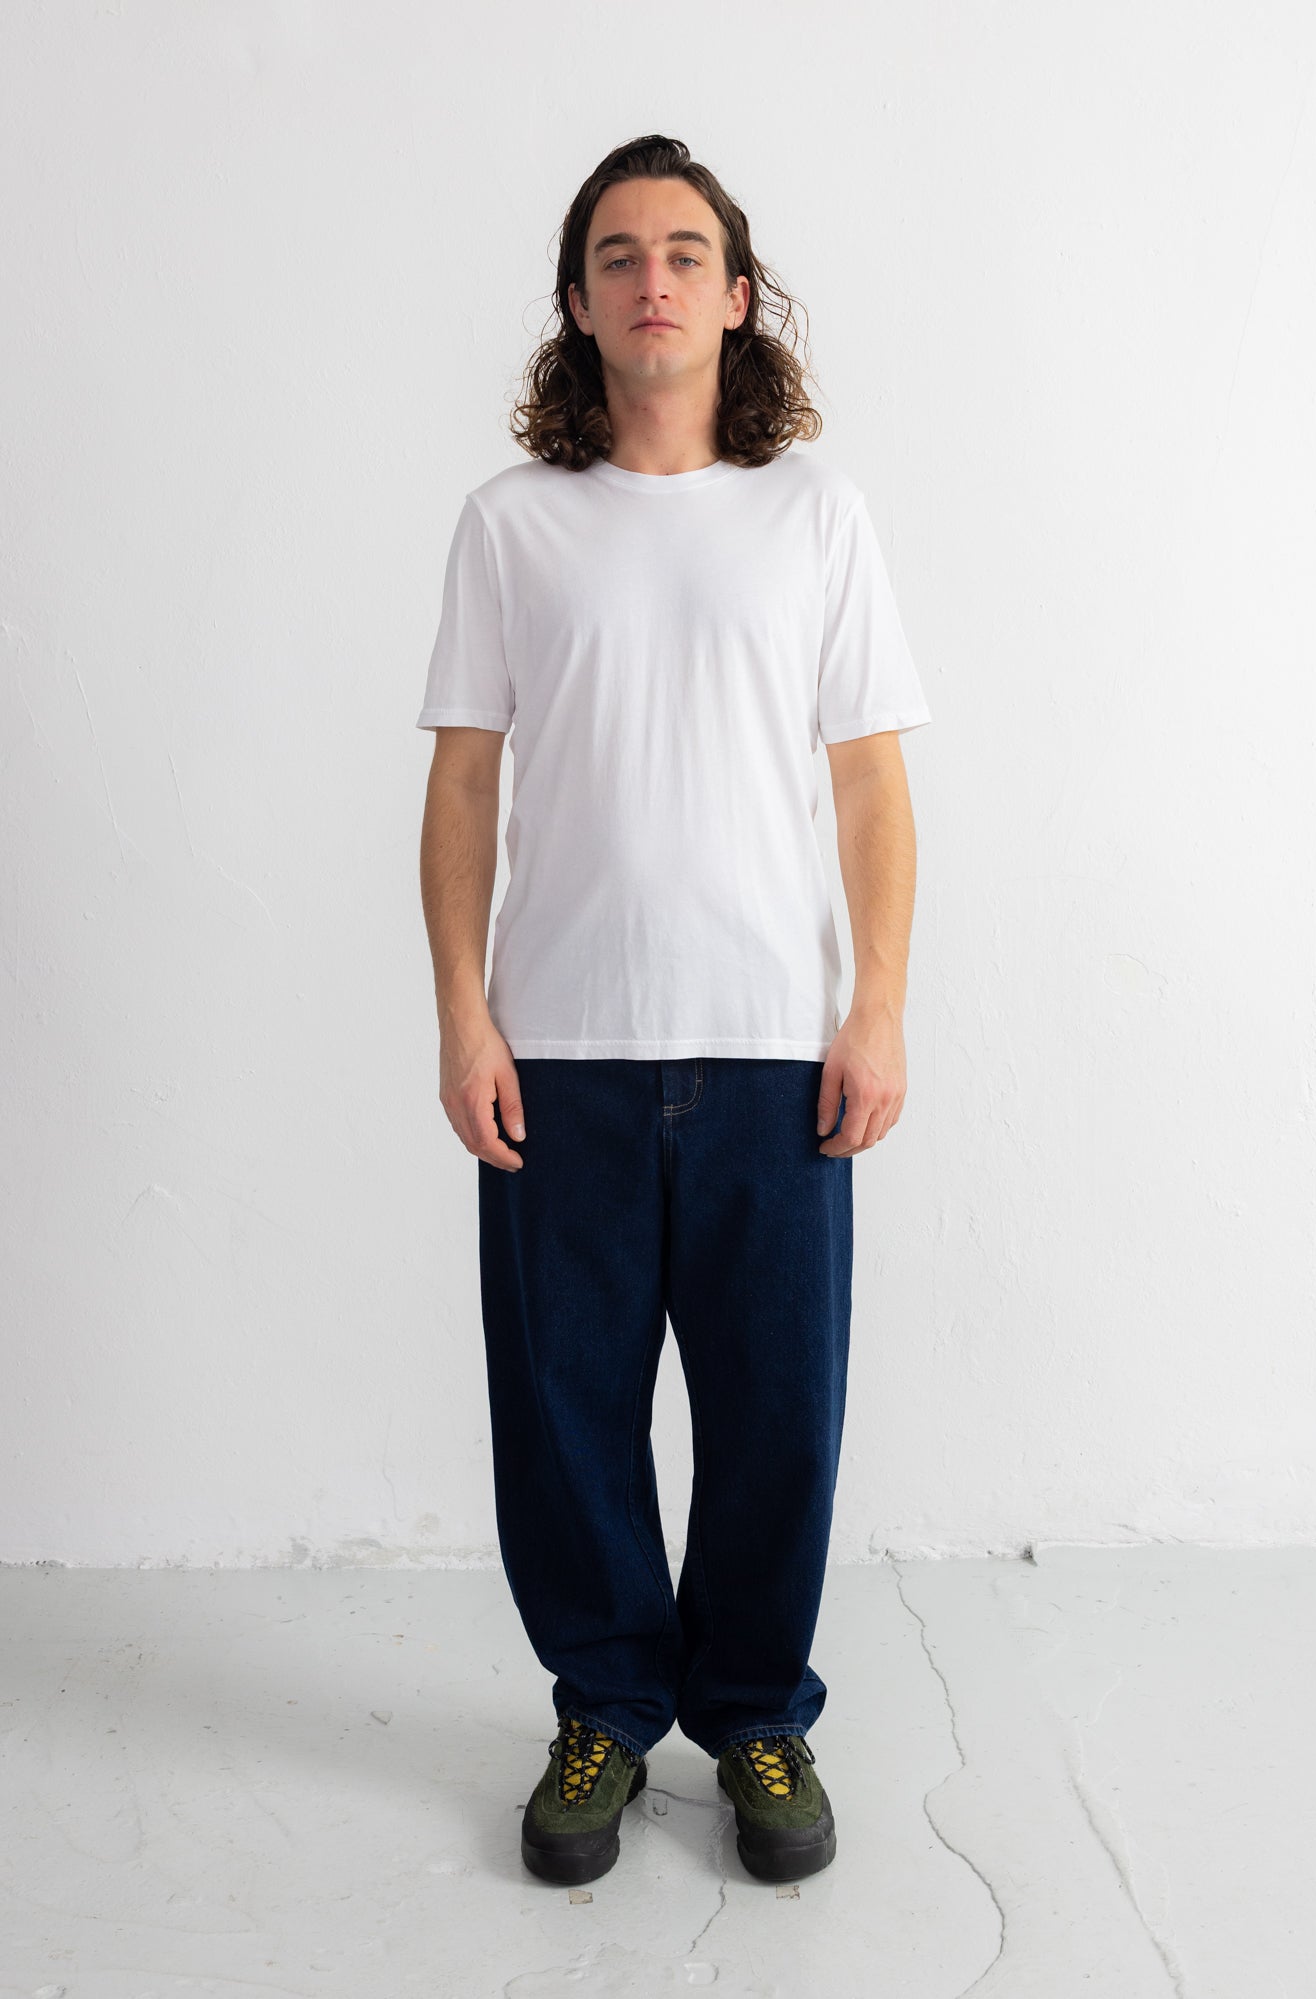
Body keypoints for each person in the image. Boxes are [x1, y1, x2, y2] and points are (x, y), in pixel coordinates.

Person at [417, 135, 931, 1889]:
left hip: (773, 1050)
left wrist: (877, 1008)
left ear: (734, 294)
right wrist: (462, 1018)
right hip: (556, 1049)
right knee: (564, 1412)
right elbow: (463, 786)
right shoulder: (511, 524)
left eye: (685, 252)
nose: (653, 279)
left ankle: (757, 1716)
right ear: (577, 301)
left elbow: (868, 785)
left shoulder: (813, 516)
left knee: (777, 1410)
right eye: (619, 255)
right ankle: (604, 1708)